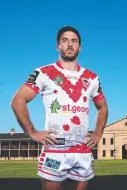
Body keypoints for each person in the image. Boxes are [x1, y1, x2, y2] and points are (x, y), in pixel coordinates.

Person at [11, 26, 108, 190]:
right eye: (65, 41)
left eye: (74, 41)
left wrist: (98, 133)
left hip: (82, 150)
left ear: (80, 47)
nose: (70, 44)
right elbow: (18, 100)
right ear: (58, 46)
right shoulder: (44, 72)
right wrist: (32, 132)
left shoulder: (92, 78)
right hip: (55, 149)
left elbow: (102, 107)